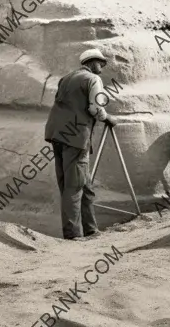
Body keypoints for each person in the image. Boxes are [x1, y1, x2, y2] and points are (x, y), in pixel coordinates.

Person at [44, 48, 117, 240]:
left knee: (83, 184)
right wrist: (107, 117)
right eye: (100, 62)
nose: (101, 66)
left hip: (56, 135)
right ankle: (73, 234)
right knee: (74, 186)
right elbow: (95, 107)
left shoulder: (66, 78)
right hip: (76, 137)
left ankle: (91, 229)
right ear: (92, 62)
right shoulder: (93, 79)